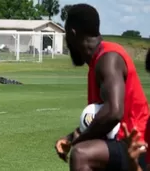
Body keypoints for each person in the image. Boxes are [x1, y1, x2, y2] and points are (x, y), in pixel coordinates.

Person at [54, 3, 150, 171]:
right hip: (121, 141)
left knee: (82, 154)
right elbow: (100, 117)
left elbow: (114, 112)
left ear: (72, 33)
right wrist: (70, 137)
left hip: (136, 144)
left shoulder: (109, 59)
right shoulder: (99, 61)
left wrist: (77, 141)